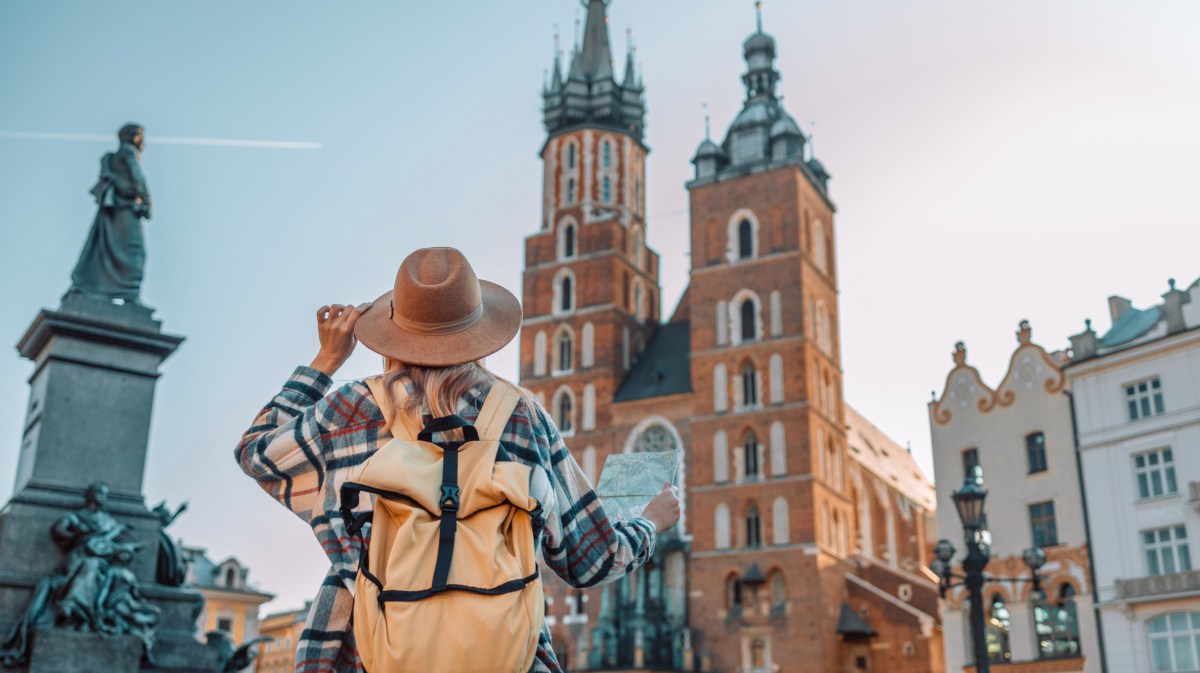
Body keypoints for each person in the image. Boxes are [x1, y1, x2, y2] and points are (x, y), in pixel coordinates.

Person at [235, 247, 680, 672]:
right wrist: (649, 523)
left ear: (392, 333)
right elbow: (592, 561)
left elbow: (256, 453)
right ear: (479, 334)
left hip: (364, 652)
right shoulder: (521, 414)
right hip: (504, 653)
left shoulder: (351, 410)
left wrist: (325, 361)